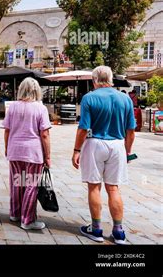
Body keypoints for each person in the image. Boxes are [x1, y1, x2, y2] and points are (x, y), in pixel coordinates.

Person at [72, 66, 136, 245]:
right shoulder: (125, 99)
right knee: (113, 188)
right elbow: (131, 130)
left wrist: (76, 150)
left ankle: (96, 229)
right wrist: (128, 151)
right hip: (117, 144)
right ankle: (118, 231)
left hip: (95, 143)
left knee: (94, 187)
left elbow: (83, 128)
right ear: (111, 79)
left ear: (94, 80)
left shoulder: (89, 98)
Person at [3, 77, 51, 230]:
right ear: (37, 91)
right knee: (31, 184)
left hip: (15, 149)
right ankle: (27, 220)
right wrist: (48, 156)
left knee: (17, 183)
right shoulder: (40, 108)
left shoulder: (13, 107)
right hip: (33, 151)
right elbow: (44, 134)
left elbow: (7, 130)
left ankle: (15, 213)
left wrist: (7, 147)